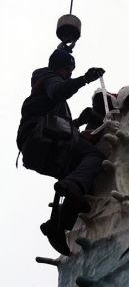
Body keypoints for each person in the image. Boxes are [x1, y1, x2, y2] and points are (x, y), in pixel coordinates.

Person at [16, 47, 106, 255]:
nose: (70, 74)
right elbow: (58, 90)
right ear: (59, 68)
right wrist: (85, 79)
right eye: (68, 69)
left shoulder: (44, 97)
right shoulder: (49, 78)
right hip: (42, 139)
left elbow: (58, 124)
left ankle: (56, 224)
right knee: (94, 157)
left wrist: (79, 122)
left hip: (38, 150)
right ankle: (70, 193)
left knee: (82, 178)